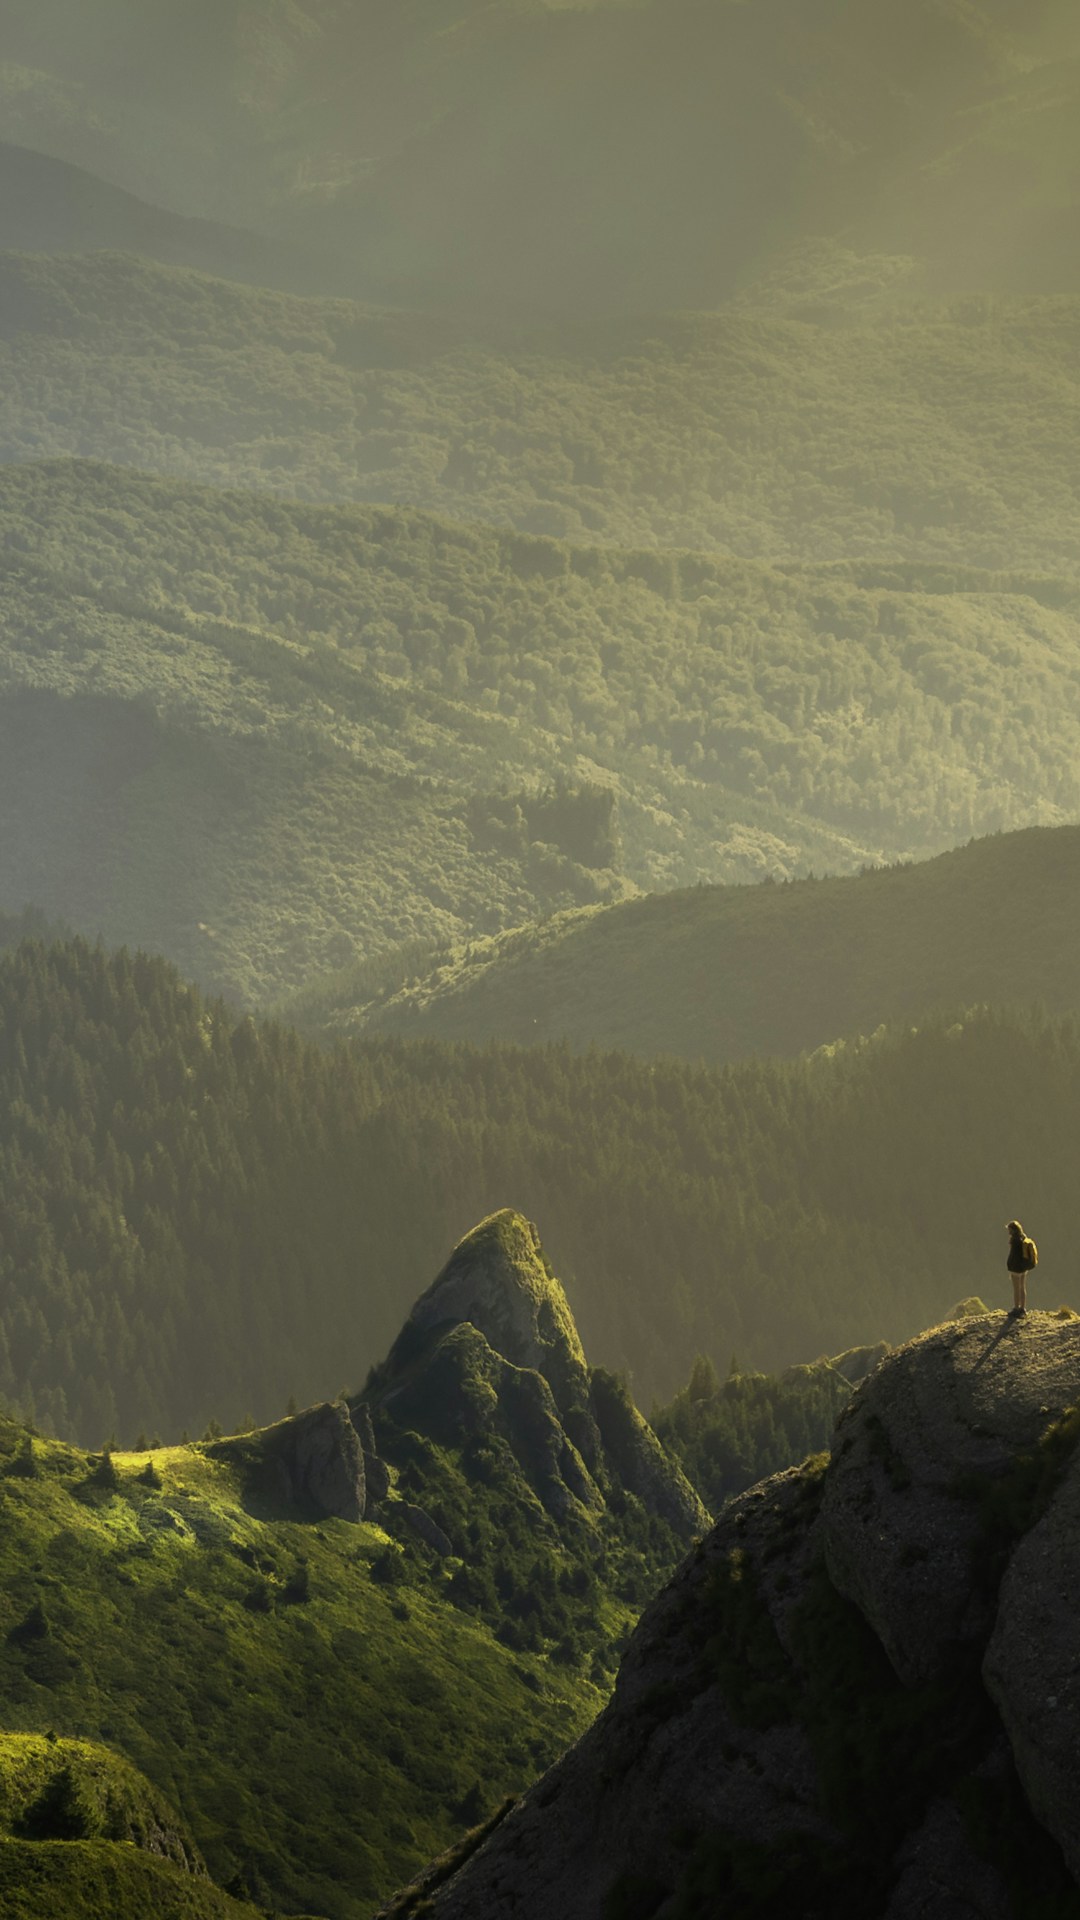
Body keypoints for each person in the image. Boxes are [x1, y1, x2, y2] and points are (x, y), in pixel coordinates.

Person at [1005, 1220, 1038, 1317]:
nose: (1008, 1231)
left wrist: (1010, 1266)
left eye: (1009, 1229)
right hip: (1023, 1267)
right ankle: (1022, 1308)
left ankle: (1016, 1308)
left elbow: (1013, 1256)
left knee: (1016, 1289)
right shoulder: (1023, 1237)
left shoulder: (1014, 1240)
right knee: (1022, 1287)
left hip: (1015, 1268)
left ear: (1013, 1230)